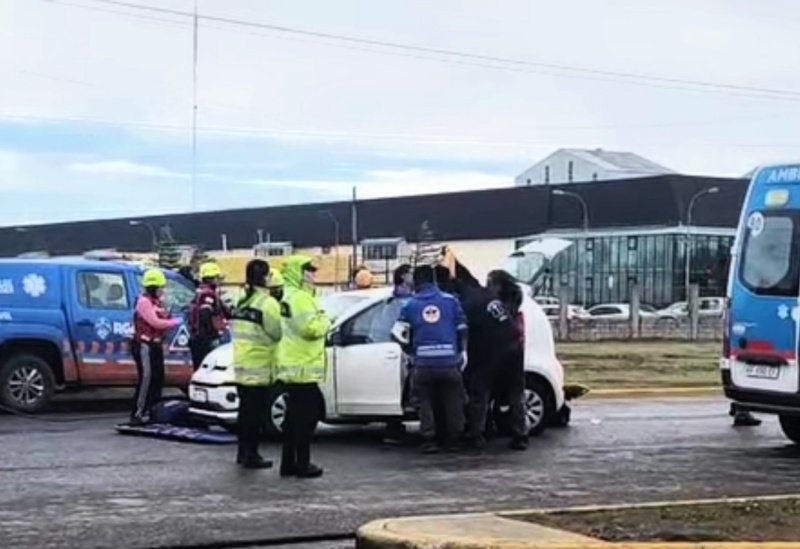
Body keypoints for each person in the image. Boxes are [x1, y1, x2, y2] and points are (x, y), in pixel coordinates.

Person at [448, 256, 521, 450]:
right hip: (514, 347)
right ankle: (520, 437)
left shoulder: (467, 303)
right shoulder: (487, 295)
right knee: (515, 395)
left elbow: (464, 331)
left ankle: (477, 436)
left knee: (479, 393)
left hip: (490, 350)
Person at [395, 265, 468, 454]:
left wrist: (411, 352)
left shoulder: (410, 305)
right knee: (453, 401)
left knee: (424, 402)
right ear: (434, 280)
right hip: (449, 362)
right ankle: (453, 440)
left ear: (416, 282)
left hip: (423, 364)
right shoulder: (451, 301)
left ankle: (429, 440)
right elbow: (462, 329)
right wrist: (461, 352)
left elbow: (398, 333)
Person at [276, 256, 332, 479]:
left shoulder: (288, 295)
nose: (313, 274)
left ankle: (288, 463)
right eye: (308, 270)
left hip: (293, 364)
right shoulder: (299, 298)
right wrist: (327, 321)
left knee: (292, 420)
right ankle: (302, 464)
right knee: (305, 420)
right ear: (298, 272)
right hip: (303, 366)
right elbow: (310, 329)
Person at [231, 259, 283, 469]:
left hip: (241, 362)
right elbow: (276, 333)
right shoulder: (268, 303)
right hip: (259, 366)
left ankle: (243, 452)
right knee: (255, 415)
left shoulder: (241, 299)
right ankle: (252, 455)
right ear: (266, 278)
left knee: (245, 413)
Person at [130, 269, 182, 426]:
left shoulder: (158, 303)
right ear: (153, 288)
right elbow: (154, 322)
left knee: (158, 378)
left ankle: (153, 411)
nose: (162, 290)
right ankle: (138, 413)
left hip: (156, 344)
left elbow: (162, 322)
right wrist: (176, 322)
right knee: (147, 378)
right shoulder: (143, 302)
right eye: (160, 287)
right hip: (144, 345)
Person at [487, 269, 529, 450]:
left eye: (490, 282)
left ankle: (490, 430)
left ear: (499, 285)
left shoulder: (497, 307)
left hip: (499, 354)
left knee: (490, 394)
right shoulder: (516, 305)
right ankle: (519, 434)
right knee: (515, 397)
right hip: (515, 355)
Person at [188, 262, 231, 371]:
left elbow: (226, 311)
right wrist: (213, 333)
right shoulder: (208, 294)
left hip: (197, 338)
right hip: (205, 339)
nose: (219, 281)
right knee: (210, 369)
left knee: (200, 369)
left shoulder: (200, 292)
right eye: (217, 278)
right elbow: (205, 315)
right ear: (213, 278)